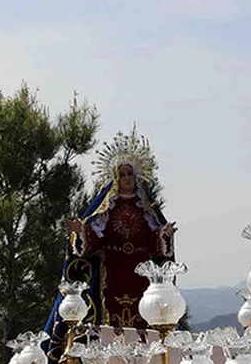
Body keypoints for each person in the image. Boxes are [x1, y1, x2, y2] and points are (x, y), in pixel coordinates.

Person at [42, 135, 176, 362]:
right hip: (111, 274)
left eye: (129, 174)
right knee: (109, 324)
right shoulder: (107, 207)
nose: (126, 179)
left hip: (141, 275)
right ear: (115, 178)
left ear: (136, 177)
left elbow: (155, 247)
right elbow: (92, 242)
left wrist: (163, 235)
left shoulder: (146, 209)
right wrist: (80, 231)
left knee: (144, 320)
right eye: (122, 174)